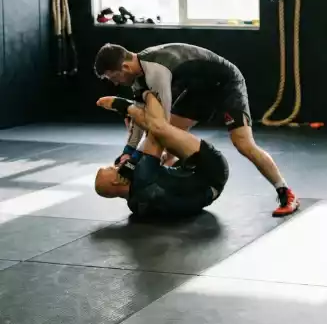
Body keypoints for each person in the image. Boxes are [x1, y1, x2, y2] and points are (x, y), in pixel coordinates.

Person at [93, 43, 299, 217]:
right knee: (167, 134)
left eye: (113, 78)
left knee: (243, 143)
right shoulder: (138, 78)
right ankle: (170, 173)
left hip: (226, 84)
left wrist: (134, 161)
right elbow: (140, 120)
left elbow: (159, 125)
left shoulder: (155, 71)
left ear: (125, 66)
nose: (114, 83)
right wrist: (127, 153)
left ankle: (285, 192)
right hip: (199, 91)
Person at [94, 91, 228, 218]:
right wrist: (131, 154)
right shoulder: (142, 176)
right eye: (113, 169)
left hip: (205, 192)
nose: (118, 166)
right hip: (212, 172)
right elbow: (155, 132)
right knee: (160, 127)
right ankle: (127, 105)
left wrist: (133, 160)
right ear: (115, 181)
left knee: (163, 154)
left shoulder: (134, 204)